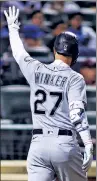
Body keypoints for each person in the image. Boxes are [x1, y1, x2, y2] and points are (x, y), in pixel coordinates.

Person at [4, 7, 93, 181]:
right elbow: (76, 113)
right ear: (75, 55)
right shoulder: (75, 78)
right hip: (64, 144)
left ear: (55, 50)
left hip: (38, 145)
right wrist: (88, 143)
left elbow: (18, 52)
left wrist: (13, 28)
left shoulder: (36, 69)